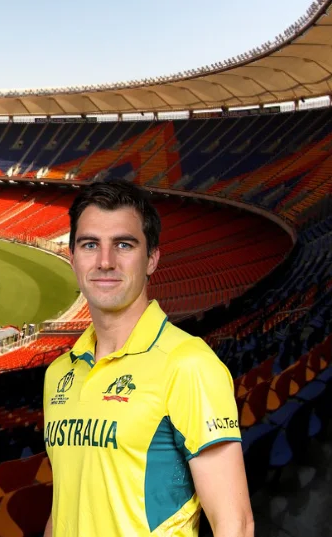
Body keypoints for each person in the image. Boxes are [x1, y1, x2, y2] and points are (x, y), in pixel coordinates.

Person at [43, 180, 251, 537]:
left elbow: (235, 524)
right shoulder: (58, 373)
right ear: (73, 257)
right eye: (90, 244)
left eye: (124, 244)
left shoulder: (188, 364)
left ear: (152, 258)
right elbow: (66, 502)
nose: (105, 261)